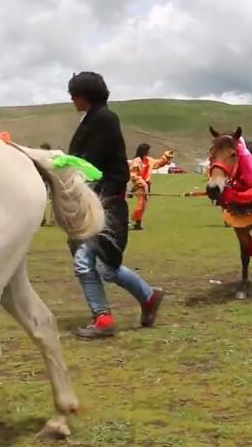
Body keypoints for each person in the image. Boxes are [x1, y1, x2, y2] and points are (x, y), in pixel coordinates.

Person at [67, 72, 164, 339]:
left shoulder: (104, 119)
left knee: (87, 263)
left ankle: (104, 319)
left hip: (104, 202)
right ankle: (149, 296)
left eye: (74, 94)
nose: (71, 99)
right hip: (94, 200)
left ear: (85, 95)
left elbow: (92, 163)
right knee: (104, 267)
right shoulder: (92, 118)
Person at [129, 143, 174, 230]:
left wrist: (166, 156)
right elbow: (133, 174)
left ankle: (138, 223)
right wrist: (141, 182)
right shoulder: (137, 161)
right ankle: (132, 221)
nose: (149, 152)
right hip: (139, 185)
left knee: (144, 205)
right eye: (148, 150)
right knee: (141, 204)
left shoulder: (149, 160)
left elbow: (159, 163)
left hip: (147, 185)